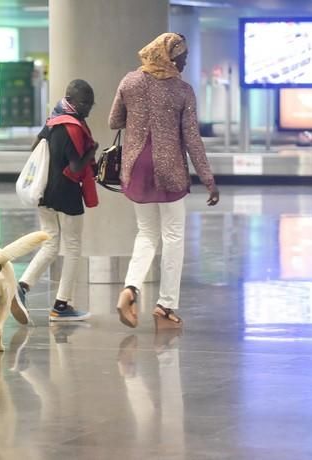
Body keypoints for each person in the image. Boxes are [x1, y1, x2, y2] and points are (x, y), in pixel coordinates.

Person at [108, 32, 219, 329]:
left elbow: (113, 121)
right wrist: (208, 178)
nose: (184, 61)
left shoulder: (129, 81)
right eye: (182, 56)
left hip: (136, 168)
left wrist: (138, 117)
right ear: (169, 55)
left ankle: (130, 289)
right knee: (172, 237)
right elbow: (192, 139)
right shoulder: (182, 91)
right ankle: (165, 306)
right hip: (169, 171)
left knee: (146, 234)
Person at [11, 79, 99, 323]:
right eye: (84, 103)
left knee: (50, 242)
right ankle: (62, 305)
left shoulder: (53, 119)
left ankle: (22, 286)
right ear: (70, 100)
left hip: (44, 192)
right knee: (72, 247)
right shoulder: (73, 127)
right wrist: (92, 152)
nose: (88, 109)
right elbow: (75, 167)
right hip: (66, 193)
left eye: (91, 104)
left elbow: (35, 148)